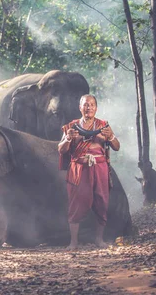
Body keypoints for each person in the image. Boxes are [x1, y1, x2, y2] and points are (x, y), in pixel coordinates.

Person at [58, 94, 120, 250]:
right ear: (80, 108)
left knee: (102, 202)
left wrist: (111, 136)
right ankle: (74, 242)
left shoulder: (104, 126)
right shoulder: (71, 127)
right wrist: (67, 139)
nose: (89, 107)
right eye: (86, 105)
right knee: (75, 203)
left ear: (96, 108)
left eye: (92, 105)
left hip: (100, 168)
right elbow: (61, 149)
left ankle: (99, 240)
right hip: (79, 169)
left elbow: (117, 146)